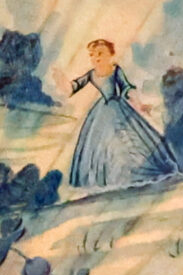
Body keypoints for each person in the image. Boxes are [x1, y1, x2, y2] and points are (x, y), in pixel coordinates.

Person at [66, 39, 176, 189]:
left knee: (127, 140)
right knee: (102, 145)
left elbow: (126, 88)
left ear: (110, 55)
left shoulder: (115, 70)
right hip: (100, 113)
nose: (96, 58)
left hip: (119, 108)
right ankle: (107, 178)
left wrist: (139, 105)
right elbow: (75, 86)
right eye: (92, 54)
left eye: (100, 53)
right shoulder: (91, 74)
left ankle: (130, 174)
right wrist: (64, 83)